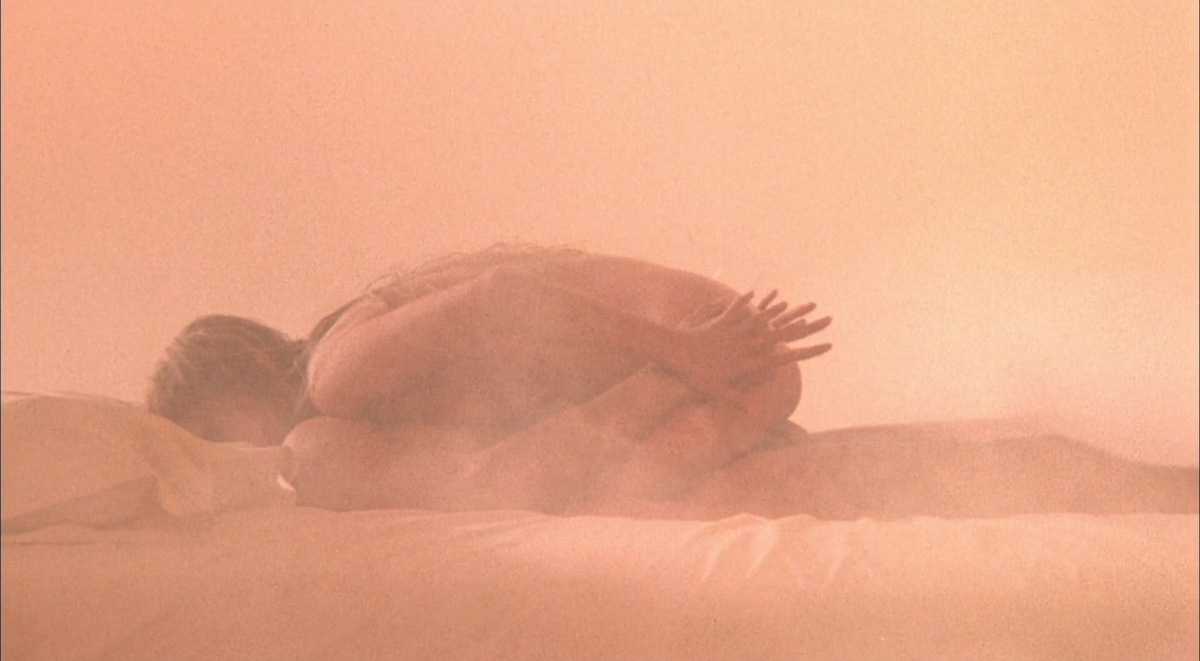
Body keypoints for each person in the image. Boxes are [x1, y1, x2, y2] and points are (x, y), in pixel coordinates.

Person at [148, 245, 1198, 519]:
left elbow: (502, 301)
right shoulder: (342, 403)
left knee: (637, 505)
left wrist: (684, 360)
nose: (237, 461)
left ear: (250, 372)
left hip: (700, 355)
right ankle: (1147, 484)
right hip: (700, 362)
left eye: (213, 433)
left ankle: (1131, 483)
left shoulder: (335, 371)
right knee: (827, 482)